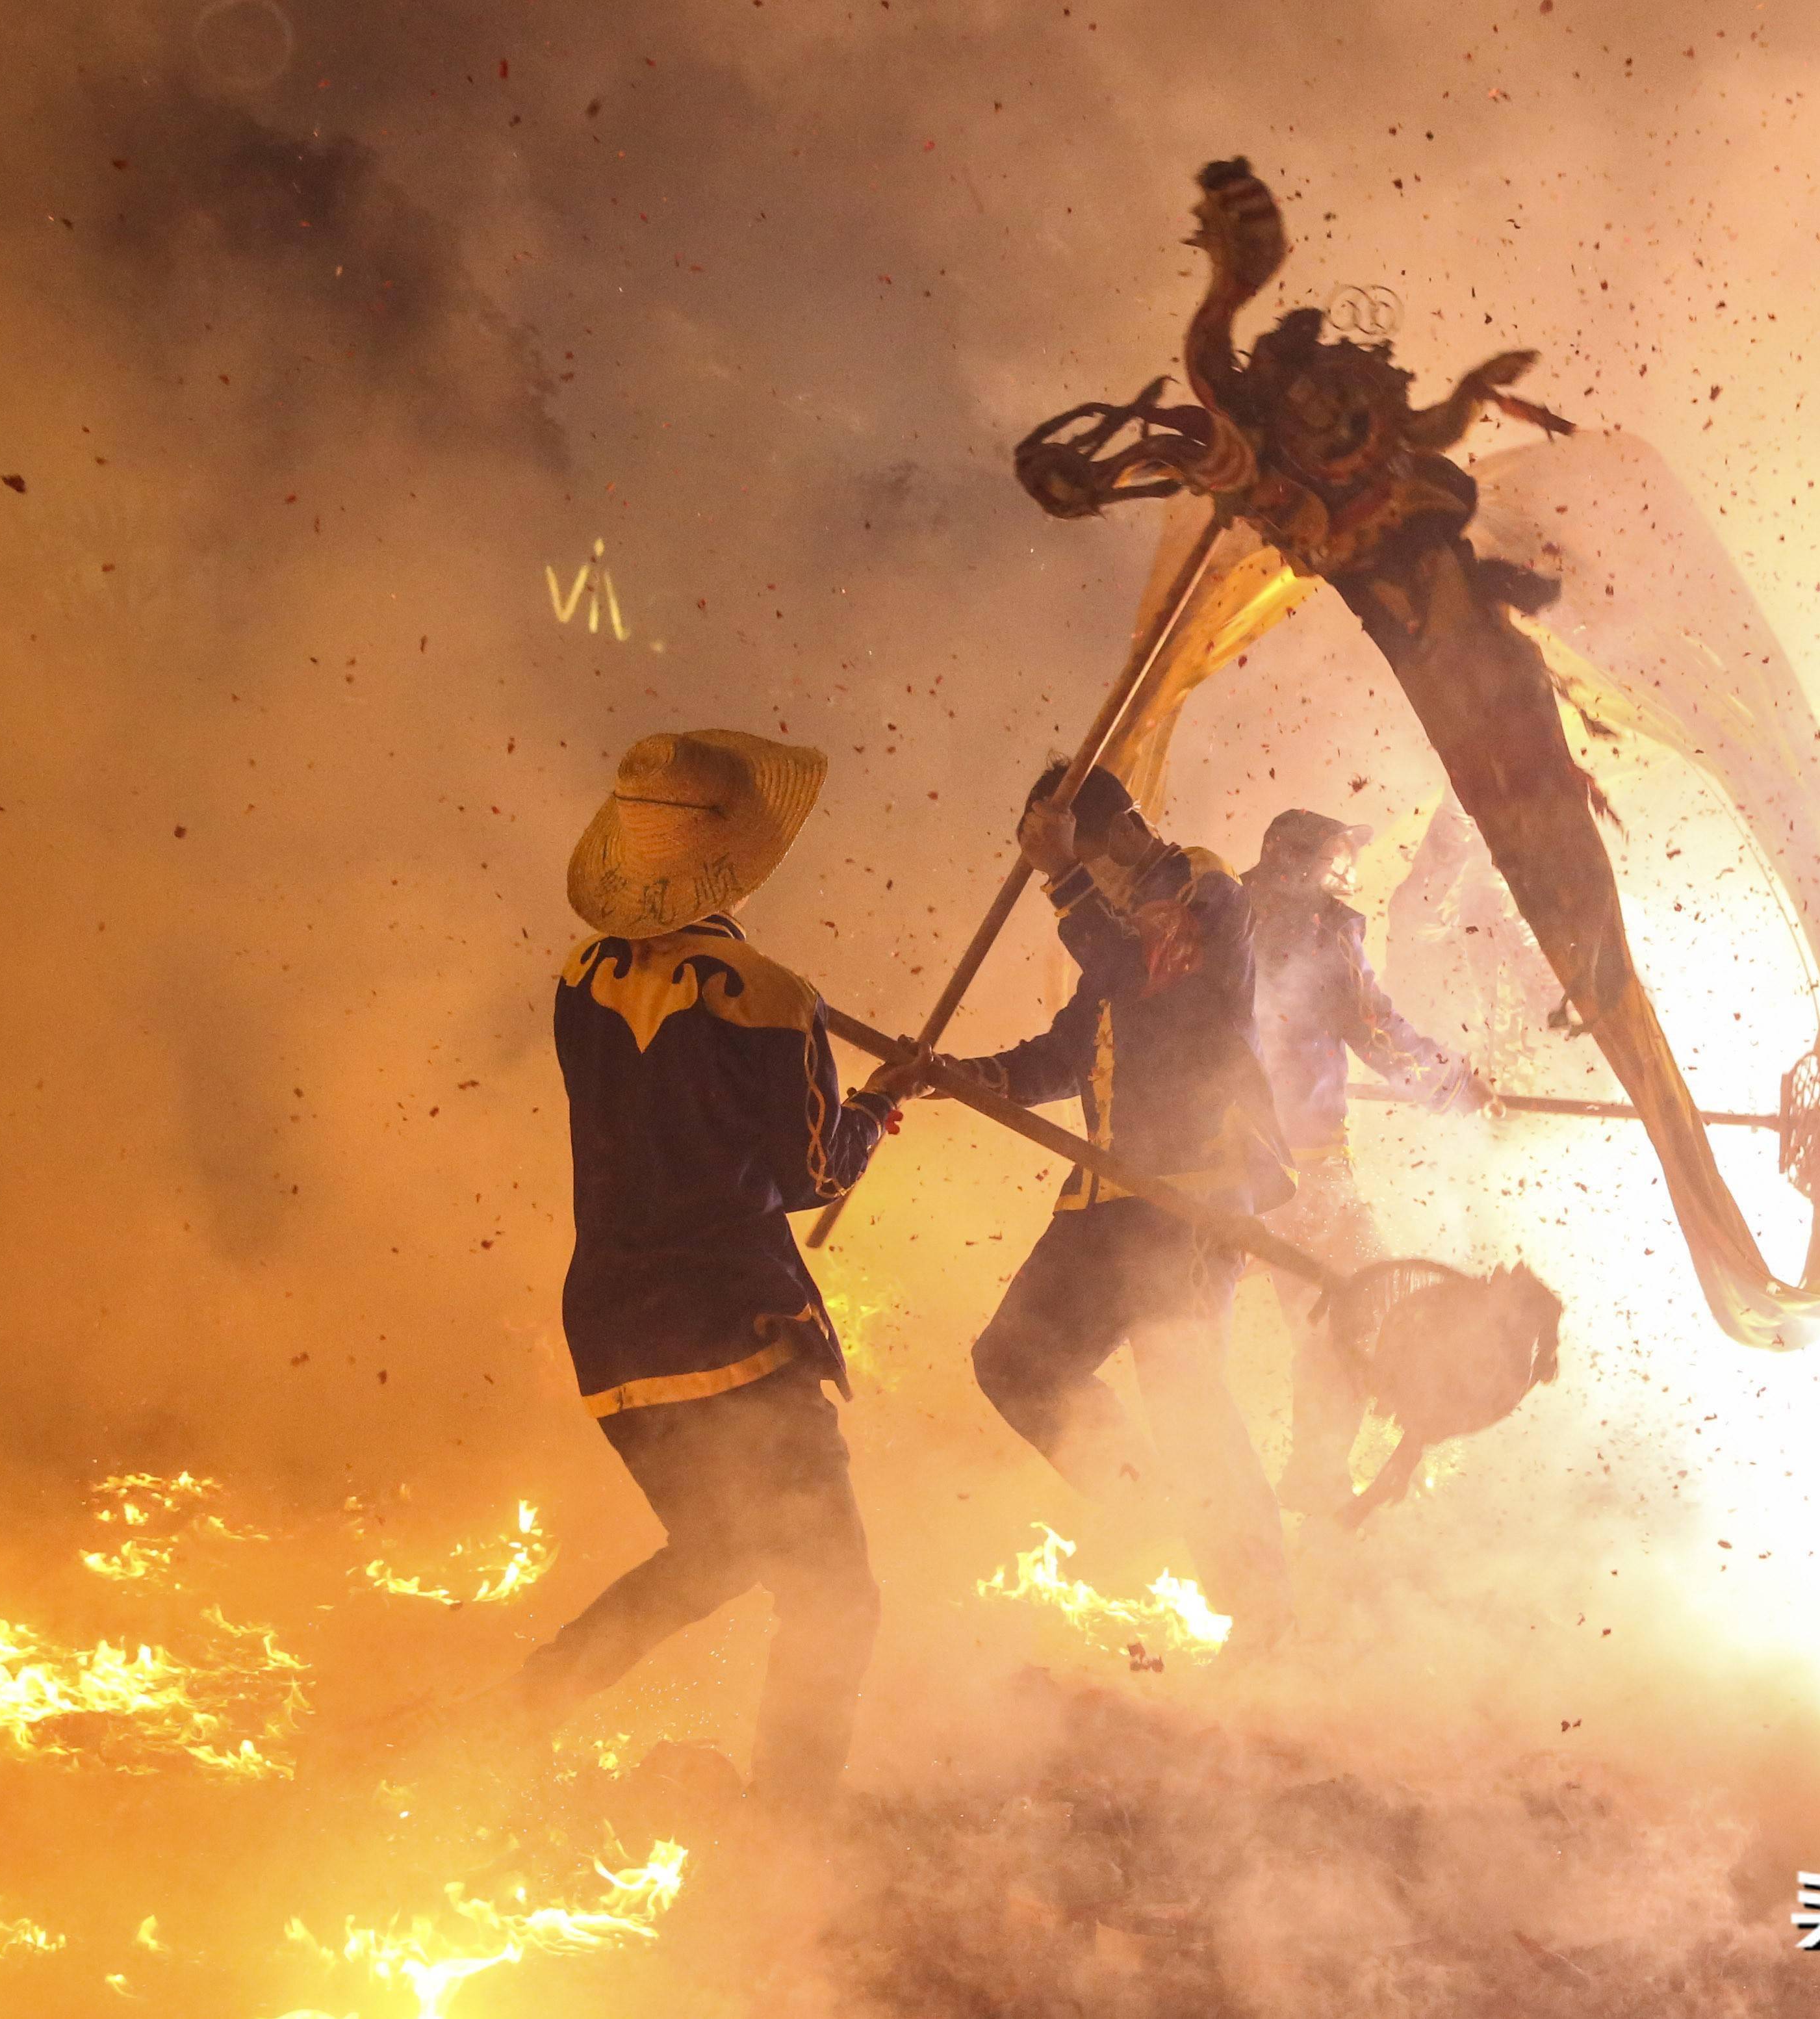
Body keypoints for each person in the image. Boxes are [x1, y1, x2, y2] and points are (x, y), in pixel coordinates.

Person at [507, 727, 916, 1817]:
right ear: (736, 855)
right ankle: (787, 1831)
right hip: (732, 1333)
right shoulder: (770, 994)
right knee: (834, 1596)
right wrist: (879, 1102)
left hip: (612, 1332)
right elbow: (812, 1171)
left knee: (723, 1552)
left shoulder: (577, 973)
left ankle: (528, 1704)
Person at [950, 762, 1297, 1645]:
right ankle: (1146, 1513)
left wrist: (1063, 881)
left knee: (1185, 1393)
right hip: (1106, 1196)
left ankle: (1266, 1619)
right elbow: (1074, 1048)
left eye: (1089, 862)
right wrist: (967, 1079)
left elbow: (1156, 984)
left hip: (1192, 1192)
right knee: (1015, 1363)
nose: (1090, 887)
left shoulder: (1205, 887)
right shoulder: (1109, 926)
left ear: (1129, 832)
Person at [1243, 807, 1491, 1515]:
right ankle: (1315, 1480)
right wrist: (1453, 1083)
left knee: (1330, 1316)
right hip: (1306, 1172)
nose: (1348, 871)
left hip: (1231, 1166)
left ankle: (1309, 1481)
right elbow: (1376, 1025)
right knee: (1362, 1299)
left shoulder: (1222, 912)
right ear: (1294, 862)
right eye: (1334, 858)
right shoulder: (1324, 930)